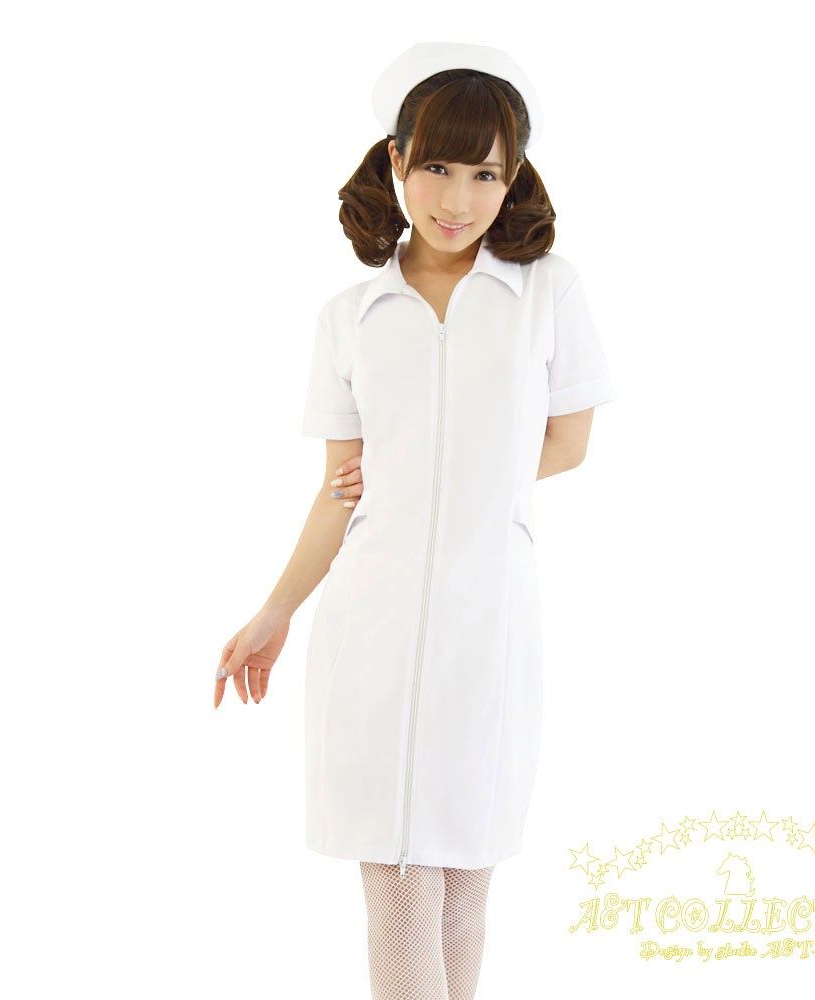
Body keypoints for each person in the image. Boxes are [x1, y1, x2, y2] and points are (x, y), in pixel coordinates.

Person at [213, 43, 616, 1000]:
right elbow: (339, 491)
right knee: (399, 890)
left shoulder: (547, 292)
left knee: (465, 890)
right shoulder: (349, 316)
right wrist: (274, 612)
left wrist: (446, 466)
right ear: (395, 159)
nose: (458, 198)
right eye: (436, 165)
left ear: (512, 178)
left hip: (490, 625)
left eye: (486, 174)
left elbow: (568, 443)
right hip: (375, 630)